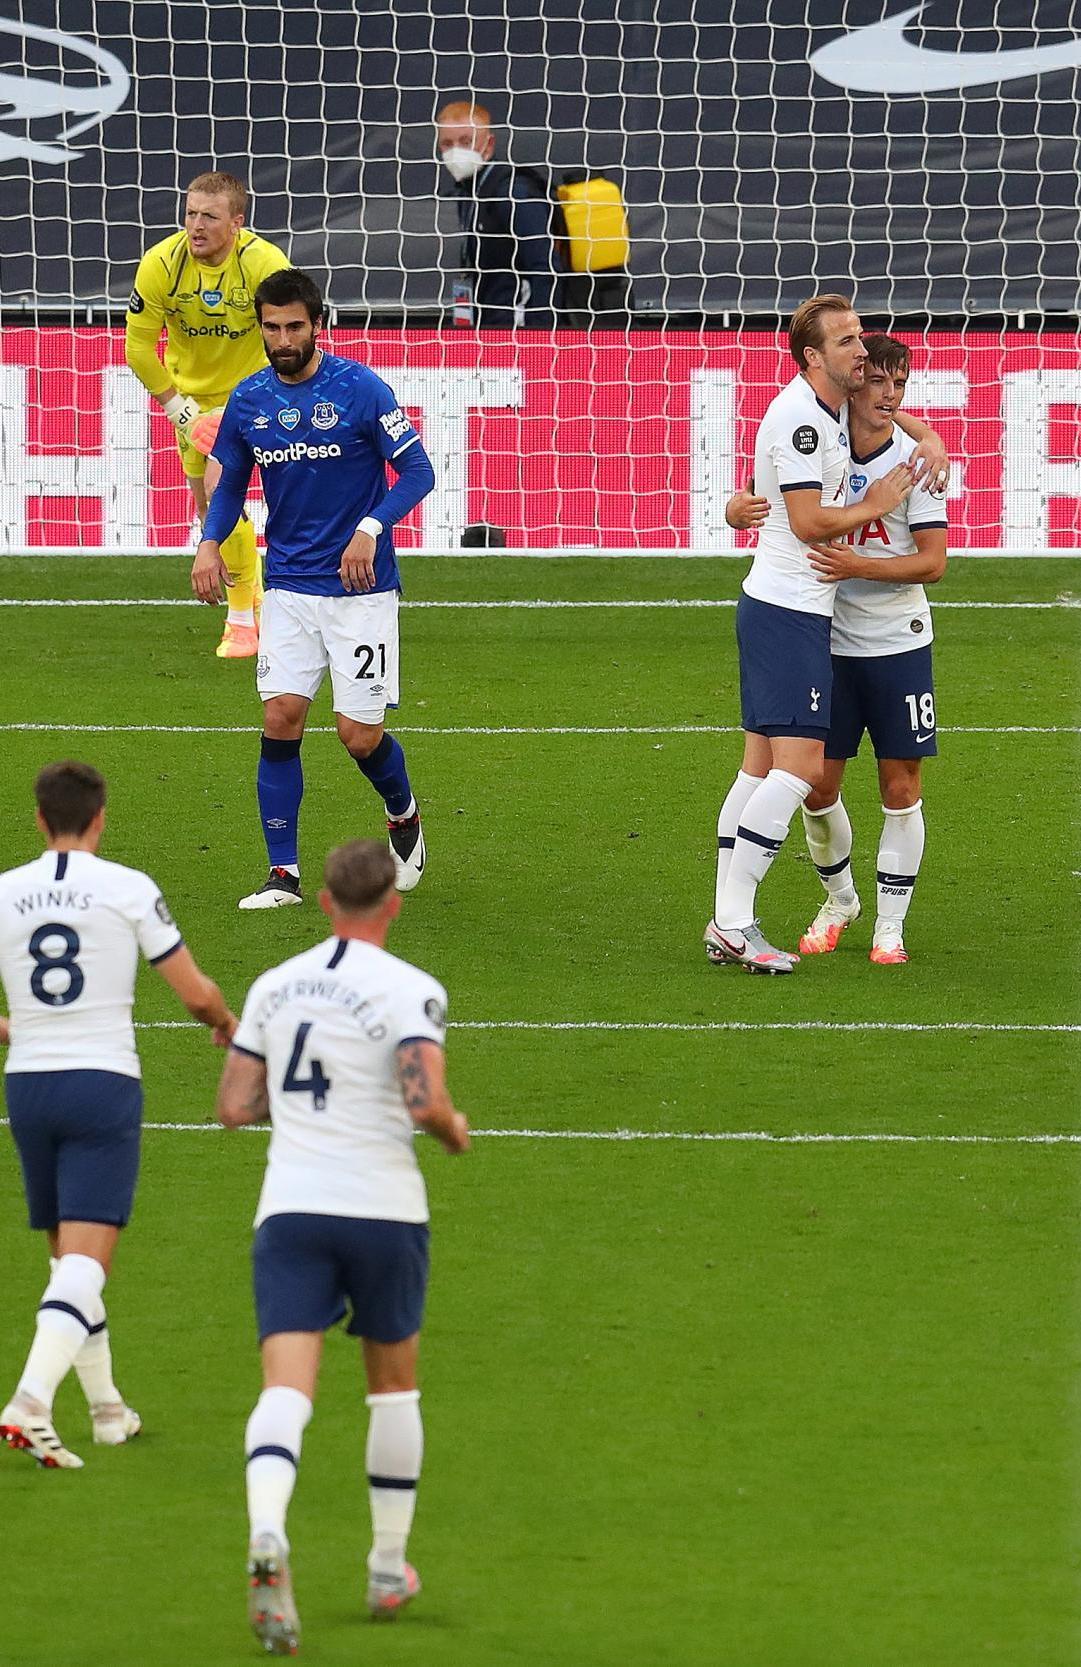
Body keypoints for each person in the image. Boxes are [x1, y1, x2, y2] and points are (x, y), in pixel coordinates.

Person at [216, 839, 469, 1652]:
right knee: (392, 1389)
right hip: (384, 1211)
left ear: (324, 902)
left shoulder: (272, 985)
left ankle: (266, 1531)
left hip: (291, 1209)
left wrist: (294, 1114)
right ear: (391, 903)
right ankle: (389, 1567)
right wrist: (453, 1129)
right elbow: (424, 1097)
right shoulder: (412, 987)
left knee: (286, 1391)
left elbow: (233, 1104)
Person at [705, 294, 950, 973]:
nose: (861, 352)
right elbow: (810, 523)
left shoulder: (830, 408)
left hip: (800, 612)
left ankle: (732, 919)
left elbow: (880, 407)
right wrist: (873, 505)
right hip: (791, 611)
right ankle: (735, 920)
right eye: (845, 341)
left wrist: (927, 435)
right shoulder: (803, 421)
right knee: (802, 772)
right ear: (814, 356)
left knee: (758, 768)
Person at [0, 761, 234, 1470]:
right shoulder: (129, 888)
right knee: (87, 1263)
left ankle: (106, 1411)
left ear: (40, 820)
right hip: (102, 1085)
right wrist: (226, 1025)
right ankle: (30, 1402)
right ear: (100, 818)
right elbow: (193, 993)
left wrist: (14, 1027)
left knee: (68, 1262)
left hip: (28, 1089)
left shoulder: (5, 890)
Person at [194, 267, 437, 911]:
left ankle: (403, 814)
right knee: (281, 718)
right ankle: (284, 874)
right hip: (290, 589)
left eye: (294, 326)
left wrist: (370, 526)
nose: (282, 339)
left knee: (358, 735)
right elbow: (230, 488)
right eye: (271, 328)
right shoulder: (249, 401)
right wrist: (209, 543)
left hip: (361, 590)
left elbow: (418, 471)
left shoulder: (360, 389)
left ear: (317, 325)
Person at [794, 334, 949, 966]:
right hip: (827, 641)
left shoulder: (920, 464)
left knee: (899, 786)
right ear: (854, 384)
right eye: (879, 381)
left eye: (901, 385)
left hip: (898, 645)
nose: (890, 395)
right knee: (813, 785)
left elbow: (933, 563)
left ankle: (891, 926)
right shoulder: (823, 442)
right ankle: (841, 900)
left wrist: (859, 563)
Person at [125, 171, 291, 658]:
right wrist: (182, 412)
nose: (195, 225)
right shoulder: (162, 264)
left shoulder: (264, 264)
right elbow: (138, 349)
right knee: (209, 512)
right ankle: (254, 598)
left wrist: (274, 396)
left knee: (223, 488)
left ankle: (241, 619)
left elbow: (289, 333)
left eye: (209, 216)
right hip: (190, 402)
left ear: (236, 222)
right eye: (190, 213)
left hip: (254, 394)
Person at [431, 100, 558, 328]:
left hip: (520, 331)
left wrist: (542, 334)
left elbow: (546, 267)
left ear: (488, 145)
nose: (455, 151)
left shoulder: (514, 192)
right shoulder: (468, 192)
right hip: (488, 326)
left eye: (466, 141)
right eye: (447, 144)